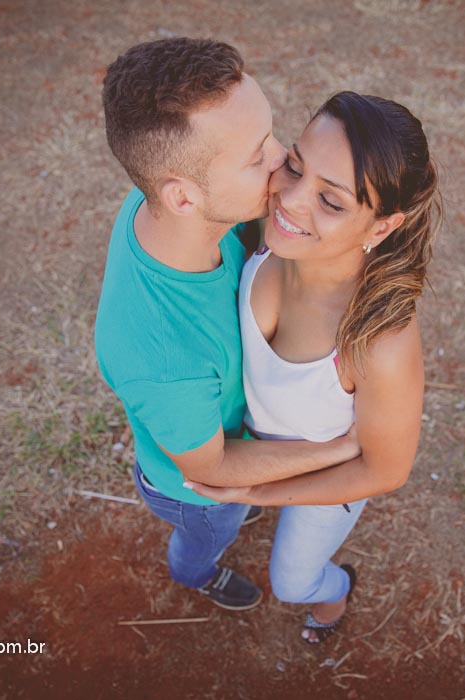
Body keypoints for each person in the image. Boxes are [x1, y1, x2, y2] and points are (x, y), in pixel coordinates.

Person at [94, 39, 361, 612]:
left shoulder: (165, 209)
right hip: (197, 493)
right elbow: (214, 470)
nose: (283, 156)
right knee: (212, 532)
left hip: (212, 428)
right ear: (183, 196)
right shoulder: (164, 359)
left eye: (269, 133)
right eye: (254, 156)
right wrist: (344, 447)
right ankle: (195, 575)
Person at [188, 91, 441, 642]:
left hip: (331, 474)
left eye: (332, 202)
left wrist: (258, 492)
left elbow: (384, 470)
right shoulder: (260, 234)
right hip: (253, 442)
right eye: (296, 166)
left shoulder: (380, 342)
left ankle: (336, 596)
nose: (291, 200)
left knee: (292, 581)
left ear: (380, 227)